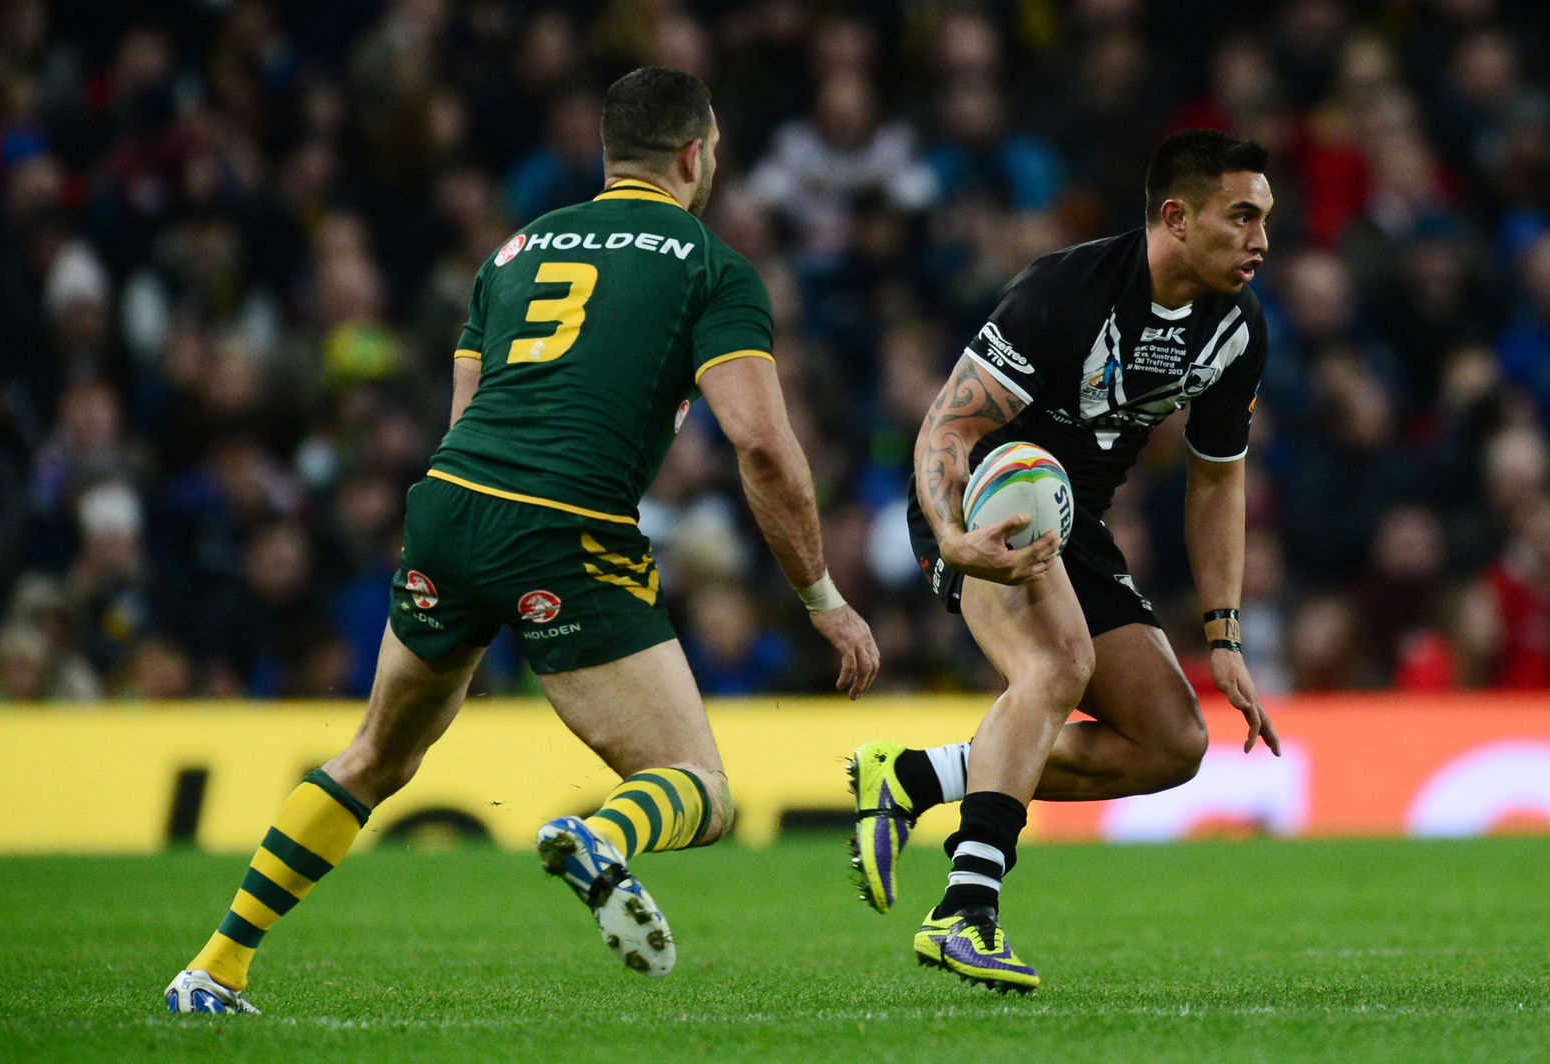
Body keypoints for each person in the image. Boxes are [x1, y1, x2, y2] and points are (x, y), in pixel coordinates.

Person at [164, 67, 879, 1014]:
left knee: (376, 754)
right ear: (696, 155)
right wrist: (821, 595)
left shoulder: (514, 252)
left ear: (605, 153)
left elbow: (468, 415)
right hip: (563, 529)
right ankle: (604, 838)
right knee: (699, 789)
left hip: (451, 506)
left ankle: (213, 969)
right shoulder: (712, 267)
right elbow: (761, 444)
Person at [849, 129, 1281, 993]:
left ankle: (915, 776)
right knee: (1055, 665)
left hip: (1069, 527)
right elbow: (949, 426)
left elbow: (1215, 483)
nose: (1262, 239)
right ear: (1176, 217)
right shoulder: (1066, 292)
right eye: (1242, 216)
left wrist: (1223, 632)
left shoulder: (1236, 329)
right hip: (982, 500)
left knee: (1172, 742)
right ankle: (965, 911)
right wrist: (955, 534)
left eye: (1266, 217)